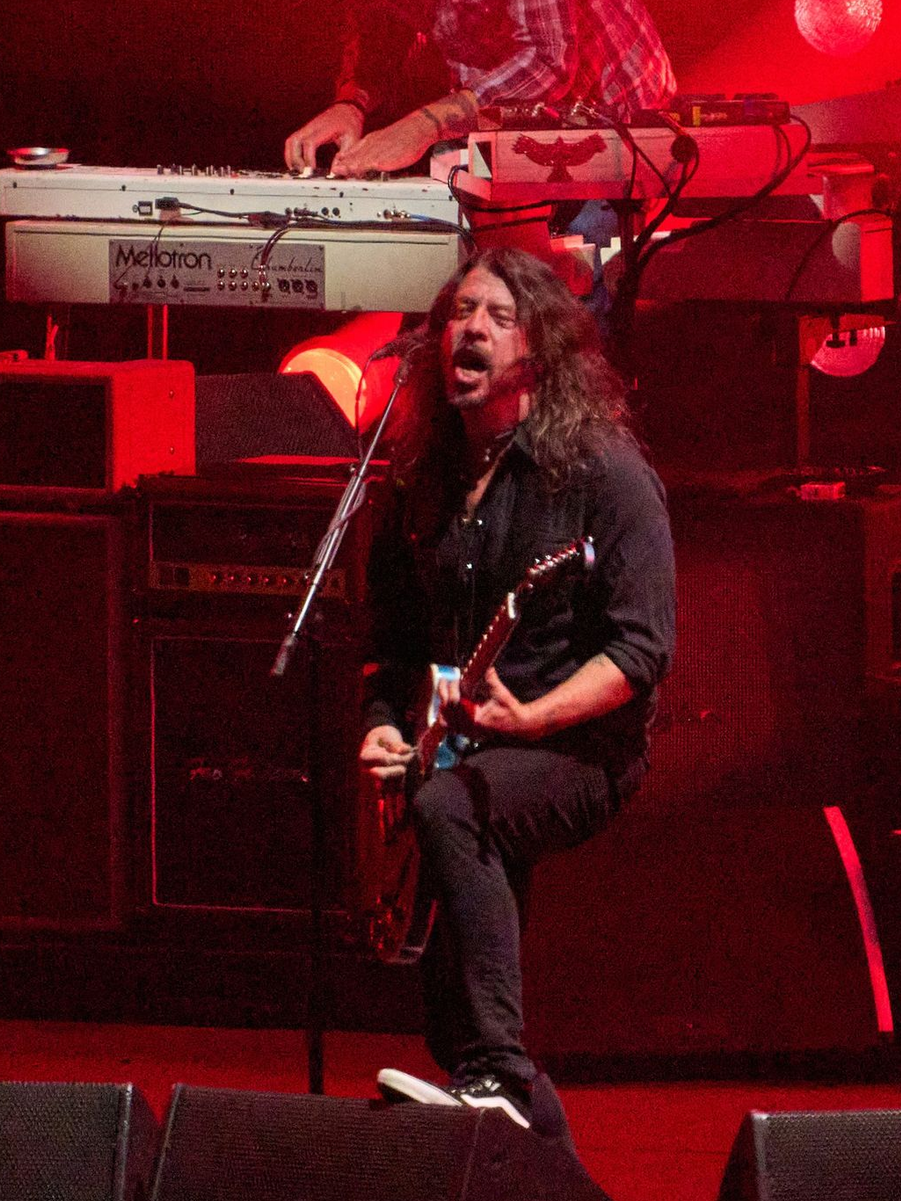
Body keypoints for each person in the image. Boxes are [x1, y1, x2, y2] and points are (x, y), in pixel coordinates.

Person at [359, 246, 675, 1133]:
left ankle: (501, 1073)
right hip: (463, 754)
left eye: (498, 317)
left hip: (580, 749)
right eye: (460, 313)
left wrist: (533, 713)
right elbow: (387, 646)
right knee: (446, 1024)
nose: (472, 329)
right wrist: (381, 725)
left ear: (538, 351)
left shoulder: (600, 474)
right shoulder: (421, 480)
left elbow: (642, 648)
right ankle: (537, 1146)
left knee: (457, 810)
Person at [283, 0, 676, 178]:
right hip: (507, 120)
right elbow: (382, 29)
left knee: (563, 301)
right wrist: (351, 103)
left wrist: (426, 124)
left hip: (617, 121)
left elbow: (548, 60)